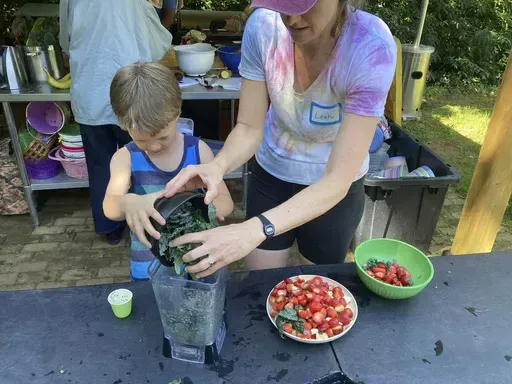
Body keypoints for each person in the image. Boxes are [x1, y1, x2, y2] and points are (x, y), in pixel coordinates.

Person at [160, 0, 397, 279]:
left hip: (332, 188)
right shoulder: (263, 27)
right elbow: (249, 126)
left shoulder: (370, 47)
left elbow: (337, 180)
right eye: (281, 4)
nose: (291, 20)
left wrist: (252, 229)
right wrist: (217, 166)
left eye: (303, 5)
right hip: (272, 171)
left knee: (317, 285)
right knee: (262, 282)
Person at [103, 63, 234, 280]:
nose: (154, 147)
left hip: (198, 260)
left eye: (163, 137)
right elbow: (109, 207)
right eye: (142, 140)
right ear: (122, 124)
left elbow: (227, 204)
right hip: (147, 265)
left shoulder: (198, 151)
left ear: (177, 112)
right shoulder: (125, 157)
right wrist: (128, 203)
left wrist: (203, 204)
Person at [59, 0, 172, 245]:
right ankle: (150, 223)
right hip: (131, 91)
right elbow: (158, 42)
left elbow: (65, 41)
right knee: (142, 160)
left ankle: (109, 228)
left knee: (100, 164)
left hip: (90, 88)